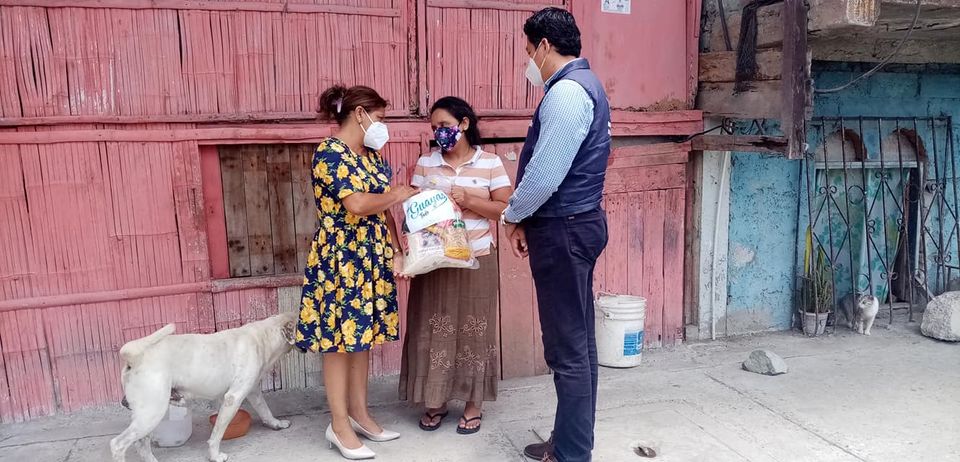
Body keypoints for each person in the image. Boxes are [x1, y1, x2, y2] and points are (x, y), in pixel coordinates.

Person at [500, 8, 611, 462]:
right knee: (579, 345)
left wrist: (513, 216)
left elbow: (545, 176)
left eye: (529, 50)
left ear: (545, 45)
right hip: (576, 224)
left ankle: (571, 454)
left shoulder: (566, 93)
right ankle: (570, 442)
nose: (528, 61)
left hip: (564, 229)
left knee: (568, 351)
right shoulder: (588, 85)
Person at [295, 84, 417, 460]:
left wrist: (397, 250)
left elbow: (382, 210)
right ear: (359, 114)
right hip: (340, 257)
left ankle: (360, 415)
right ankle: (339, 424)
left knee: (361, 337)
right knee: (337, 342)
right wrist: (397, 194)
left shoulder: (372, 156)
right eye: (380, 117)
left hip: (371, 255)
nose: (383, 125)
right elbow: (359, 203)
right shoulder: (329, 153)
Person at [399, 96, 514, 435]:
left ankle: (473, 404)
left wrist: (470, 201)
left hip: (477, 257)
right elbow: (413, 214)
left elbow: (506, 209)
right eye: (435, 127)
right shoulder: (426, 163)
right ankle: (435, 400)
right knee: (433, 329)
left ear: (464, 124)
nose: (440, 132)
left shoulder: (490, 162)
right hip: (434, 262)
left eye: (446, 125)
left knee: (474, 331)